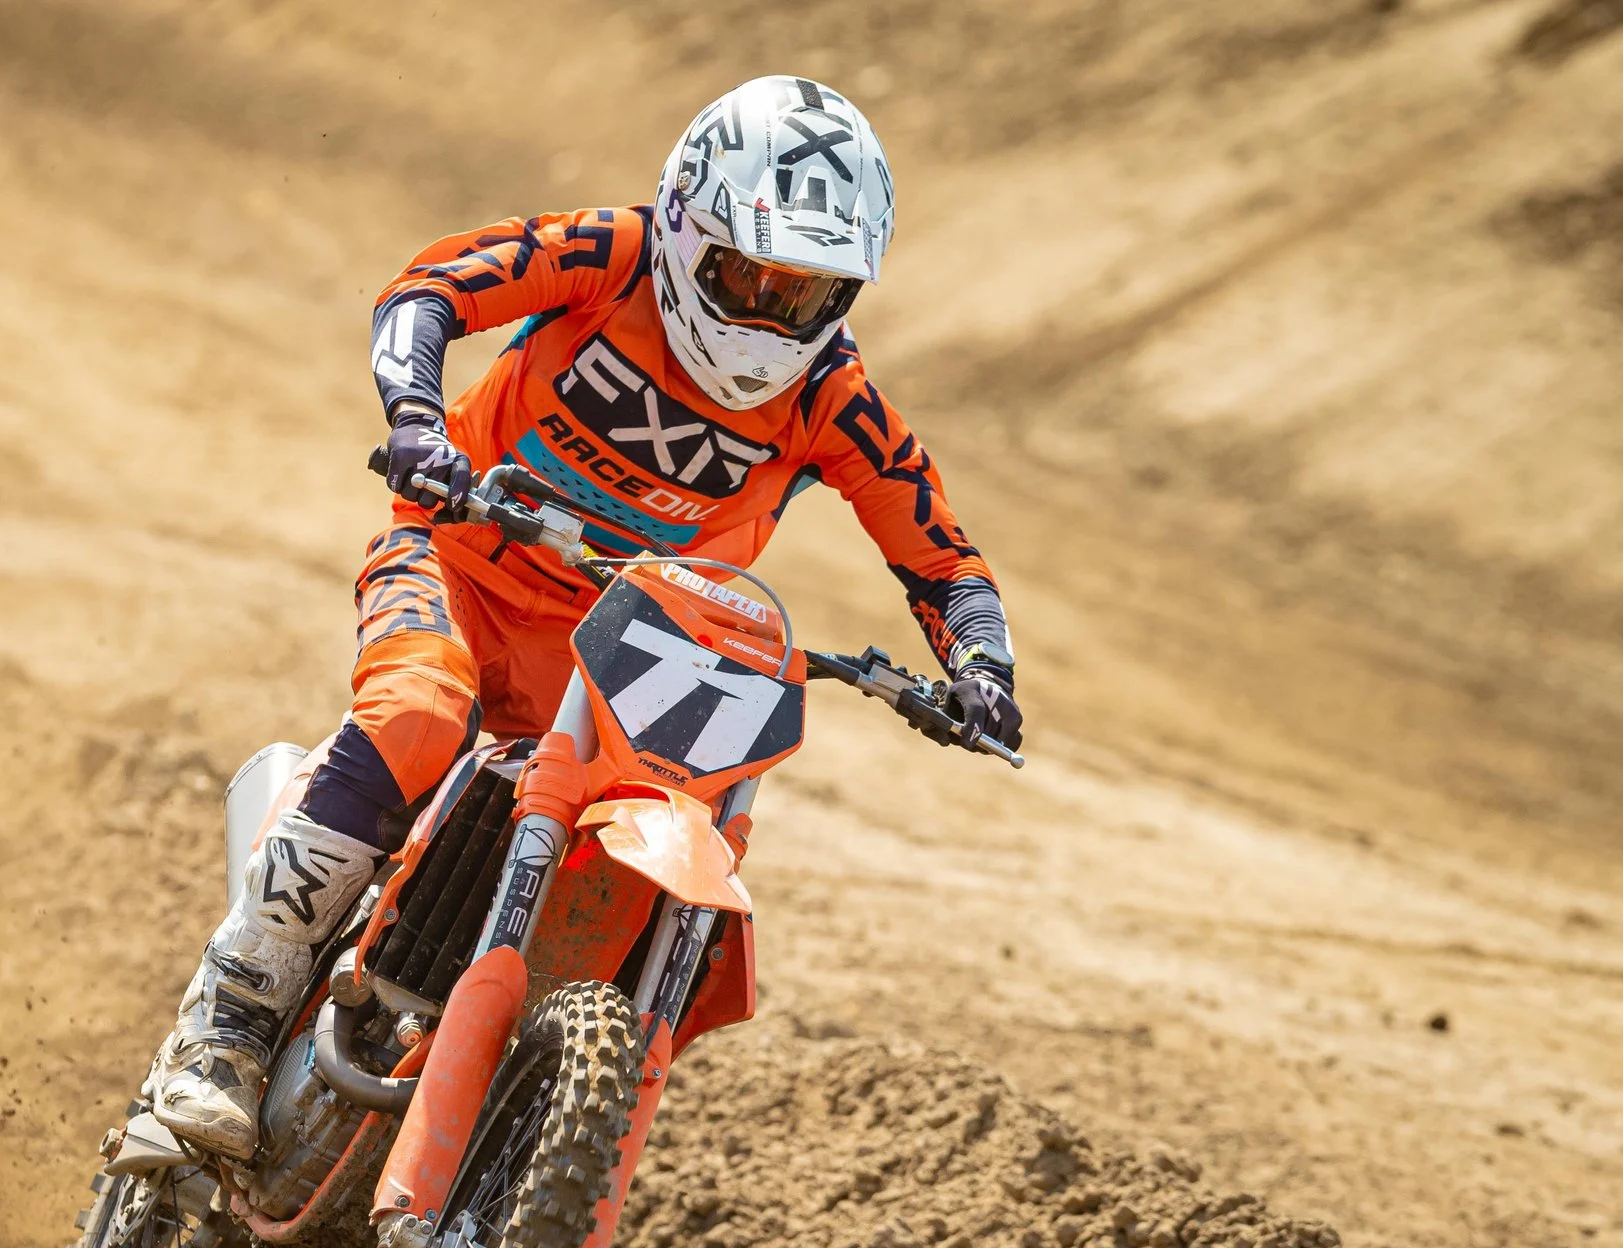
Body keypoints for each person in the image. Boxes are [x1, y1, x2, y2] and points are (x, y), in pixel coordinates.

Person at [152, 76, 1022, 1160]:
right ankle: (227, 1019)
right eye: (748, 274)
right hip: (461, 559)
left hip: (628, 651)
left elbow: (942, 558)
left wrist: (981, 667)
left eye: (804, 293)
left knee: (674, 830)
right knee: (419, 715)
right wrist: (418, 419)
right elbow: (427, 289)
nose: (766, 315)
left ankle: (520, 1116)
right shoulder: (611, 256)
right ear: (688, 225)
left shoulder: (832, 401)